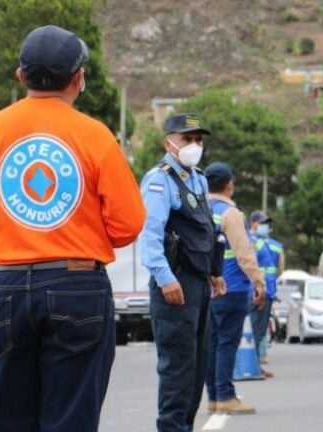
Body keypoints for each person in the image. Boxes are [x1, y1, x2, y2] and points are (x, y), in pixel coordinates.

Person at [0, 25, 146, 432]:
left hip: (5, 288)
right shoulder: (95, 136)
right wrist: (80, 233)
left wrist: (13, 229)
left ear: (20, 77)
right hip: (77, 285)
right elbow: (128, 224)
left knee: (8, 419)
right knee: (70, 417)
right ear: (78, 79)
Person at [139, 113, 226, 432]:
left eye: (198, 139)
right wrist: (165, 278)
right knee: (177, 371)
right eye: (187, 139)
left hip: (198, 284)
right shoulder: (159, 180)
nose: (194, 145)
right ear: (169, 143)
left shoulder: (197, 179)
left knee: (196, 369)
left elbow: (205, 230)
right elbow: (150, 235)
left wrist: (214, 271)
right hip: (174, 285)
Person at [205, 162, 266, 415]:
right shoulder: (231, 213)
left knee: (211, 343)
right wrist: (259, 281)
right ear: (229, 185)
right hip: (231, 287)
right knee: (228, 343)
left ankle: (213, 398)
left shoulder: (199, 208)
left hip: (206, 289)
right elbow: (244, 253)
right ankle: (226, 396)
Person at [248, 210, 285, 374]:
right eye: (262, 223)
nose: (265, 227)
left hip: (263, 292)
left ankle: (254, 364)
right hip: (257, 291)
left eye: (266, 224)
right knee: (257, 330)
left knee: (259, 330)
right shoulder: (272, 245)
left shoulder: (254, 242)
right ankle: (252, 366)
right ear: (253, 224)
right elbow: (281, 269)